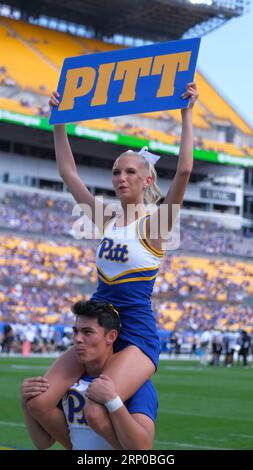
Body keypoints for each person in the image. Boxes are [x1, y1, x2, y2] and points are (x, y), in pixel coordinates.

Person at [27, 82, 199, 445]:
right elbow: (68, 172)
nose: (121, 178)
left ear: (147, 179)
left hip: (135, 333)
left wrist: (186, 113)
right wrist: (59, 120)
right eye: (116, 172)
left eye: (130, 173)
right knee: (40, 401)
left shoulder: (156, 224)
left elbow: (183, 171)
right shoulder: (105, 219)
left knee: (94, 407)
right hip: (96, 326)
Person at [21, 300, 158, 450]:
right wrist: (26, 400)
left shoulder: (136, 384)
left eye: (87, 332)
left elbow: (143, 449)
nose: (77, 339)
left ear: (111, 337)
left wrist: (113, 402)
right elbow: (43, 442)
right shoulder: (68, 383)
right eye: (75, 331)